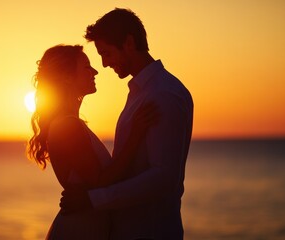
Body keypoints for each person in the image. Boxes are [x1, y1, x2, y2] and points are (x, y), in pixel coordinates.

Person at [60, 8, 194, 240]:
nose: (103, 64)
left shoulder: (163, 94)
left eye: (107, 53)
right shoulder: (140, 93)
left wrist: (94, 199)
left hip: (151, 231)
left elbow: (164, 177)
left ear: (129, 43)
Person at [27, 44, 156, 239]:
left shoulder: (70, 123)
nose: (95, 71)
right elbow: (101, 180)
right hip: (79, 230)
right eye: (87, 67)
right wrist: (135, 136)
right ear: (67, 77)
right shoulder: (67, 126)